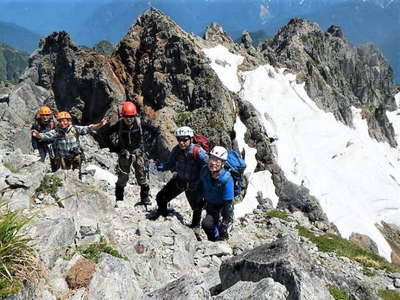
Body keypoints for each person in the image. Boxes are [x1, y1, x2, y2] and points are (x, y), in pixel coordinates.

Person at [151, 126, 209, 229]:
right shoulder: (177, 150)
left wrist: (200, 182)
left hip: (194, 184)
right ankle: (163, 213)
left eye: (184, 140)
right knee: (161, 197)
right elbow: (170, 163)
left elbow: (207, 168)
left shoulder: (198, 152)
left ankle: (195, 227)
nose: (181, 142)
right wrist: (162, 167)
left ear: (191, 139)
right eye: (179, 140)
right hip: (180, 180)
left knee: (197, 207)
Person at [32, 111, 108, 171]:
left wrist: (100, 124)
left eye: (64, 121)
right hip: (63, 158)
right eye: (60, 121)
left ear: (69, 121)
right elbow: (46, 135)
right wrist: (38, 135)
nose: (62, 123)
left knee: (77, 175)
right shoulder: (56, 132)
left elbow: (89, 128)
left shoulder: (75, 129)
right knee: (63, 175)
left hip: (75, 157)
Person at [108, 101, 150, 207]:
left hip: (138, 154)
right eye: (126, 116)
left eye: (131, 116)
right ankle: (119, 199)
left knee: (142, 176)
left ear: (134, 115)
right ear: (123, 116)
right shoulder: (120, 124)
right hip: (124, 154)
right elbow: (105, 134)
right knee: (122, 177)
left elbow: (154, 131)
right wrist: (116, 149)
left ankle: (145, 198)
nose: (129, 119)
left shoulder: (140, 123)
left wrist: (146, 147)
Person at [200, 146, 234, 241]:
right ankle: (214, 240)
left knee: (223, 230)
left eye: (217, 160)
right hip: (211, 204)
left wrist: (225, 222)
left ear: (223, 164)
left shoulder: (227, 179)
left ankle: (222, 238)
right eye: (211, 158)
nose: (213, 162)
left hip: (224, 207)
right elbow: (200, 186)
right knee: (207, 225)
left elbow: (228, 203)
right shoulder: (204, 171)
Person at [31, 106, 57, 171]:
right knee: (40, 159)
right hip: (41, 144)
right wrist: (35, 148)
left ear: (50, 115)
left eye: (47, 115)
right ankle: (37, 173)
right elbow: (33, 137)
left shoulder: (53, 123)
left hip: (51, 143)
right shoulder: (36, 124)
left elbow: (56, 134)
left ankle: (55, 173)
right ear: (40, 115)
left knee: (54, 159)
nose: (45, 117)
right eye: (43, 115)